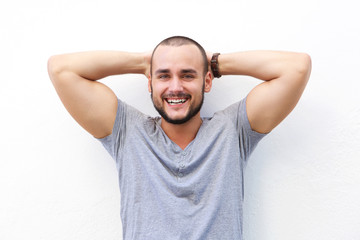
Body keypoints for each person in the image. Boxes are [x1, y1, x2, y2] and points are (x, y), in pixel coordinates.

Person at [47, 36, 311, 239]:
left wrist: (212, 61)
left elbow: (297, 68)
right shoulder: (127, 131)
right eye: (163, 75)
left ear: (207, 81)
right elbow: (61, 69)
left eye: (187, 75)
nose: (175, 87)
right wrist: (142, 62)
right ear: (150, 82)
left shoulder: (233, 129)